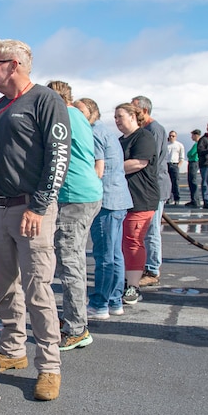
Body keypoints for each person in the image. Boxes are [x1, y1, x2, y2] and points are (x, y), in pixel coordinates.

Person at [0, 39, 71, 401]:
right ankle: (13, 348)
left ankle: (49, 366)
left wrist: (39, 205)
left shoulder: (46, 101)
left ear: (14, 65)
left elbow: (58, 156)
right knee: (3, 285)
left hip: (31, 209)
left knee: (38, 290)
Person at [46, 81, 101, 351]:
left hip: (74, 195)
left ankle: (77, 328)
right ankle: (73, 320)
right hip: (88, 192)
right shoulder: (79, 114)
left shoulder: (62, 116)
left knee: (70, 262)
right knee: (73, 260)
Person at [83, 97, 132, 320]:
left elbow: (97, 169)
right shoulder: (106, 131)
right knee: (114, 253)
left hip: (106, 200)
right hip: (119, 199)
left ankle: (100, 303)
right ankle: (114, 300)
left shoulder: (93, 133)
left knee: (104, 255)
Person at [114, 103, 159, 305]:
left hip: (141, 198)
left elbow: (139, 162)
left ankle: (133, 286)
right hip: (123, 198)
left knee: (133, 240)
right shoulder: (119, 141)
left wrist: (111, 168)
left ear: (133, 116)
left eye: (120, 116)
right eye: (115, 117)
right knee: (123, 241)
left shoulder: (144, 137)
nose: (116, 121)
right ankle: (125, 280)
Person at [131, 96, 167, 289]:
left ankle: (152, 269)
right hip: (149, 187)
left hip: (155, 186)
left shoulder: (154, 130)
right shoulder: (145, 131)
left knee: (152, 230)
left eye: (135, 110)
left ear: (144, 111)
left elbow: (152, 161)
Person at [166, 130, 185, 205]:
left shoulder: (179, 145)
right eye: (170, 136)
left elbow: (182, 157)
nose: (171, 137)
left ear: (175, 137)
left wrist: (178, 165)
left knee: (175, 182)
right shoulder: (166, 145)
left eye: (173, 136)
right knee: (168, 182)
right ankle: (168, 198)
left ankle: (177, 198)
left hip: (175, 164)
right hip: (167, 164)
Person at [186, 129, 202, 207]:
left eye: (192, 135)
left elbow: (190, 153)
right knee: (192, 181)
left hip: (194, 162)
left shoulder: (197, 144)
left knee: (193, 181)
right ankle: (194, 199)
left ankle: (195, 200)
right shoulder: (196, 144)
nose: (191, 137)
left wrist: (189, 154)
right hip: (194, 162)